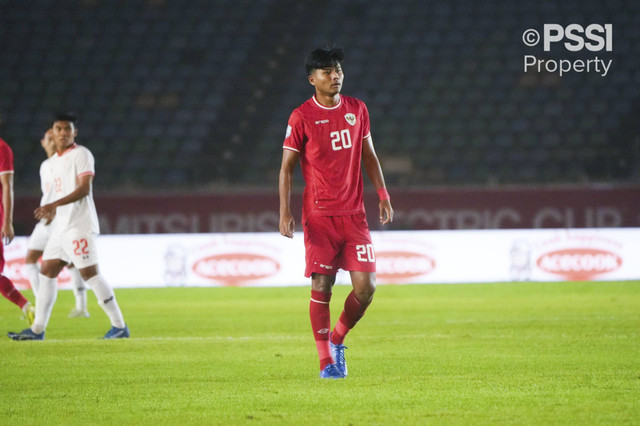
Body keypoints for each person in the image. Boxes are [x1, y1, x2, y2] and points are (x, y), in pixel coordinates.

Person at [279, 46, 394, 379]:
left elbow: (368, 156)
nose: (335, 76)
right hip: (319, 215)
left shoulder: (357, 109)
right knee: (322, 285)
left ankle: (337, 339)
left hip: (354, 215)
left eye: (338, 70)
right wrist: (284, 211)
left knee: (366, 288)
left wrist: (383, 194)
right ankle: (325, 362)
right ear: (312, 79)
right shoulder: (301, 116)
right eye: (327, 72)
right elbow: (286, 168)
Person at [8, 112, 128, 340]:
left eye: (67, 129)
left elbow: (84, 189)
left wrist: (53, 204)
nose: (63, 133)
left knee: (90, 274)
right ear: (52, 133)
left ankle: (119, 325)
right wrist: (50, 210)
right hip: (59, 229)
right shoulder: (51, 163)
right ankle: (37, 330)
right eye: (59, 129)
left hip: (79, 225)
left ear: (75, 132)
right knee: (47, 271)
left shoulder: (81, 154)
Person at [24, 129, 90, 318]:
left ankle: (81, 307)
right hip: (46, 220)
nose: (53, 140)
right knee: (30, 259)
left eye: (55, 137)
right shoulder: (45, 166)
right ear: (42, 142)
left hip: (60, 219)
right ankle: (40, 303)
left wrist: (57, 209)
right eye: (49, 137)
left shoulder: (65, 162)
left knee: (73, 263)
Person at [0, 113, 36, 324]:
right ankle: (26, 306)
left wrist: (7, 221)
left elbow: (7, 186)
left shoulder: (3, 149)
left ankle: (26, 306)